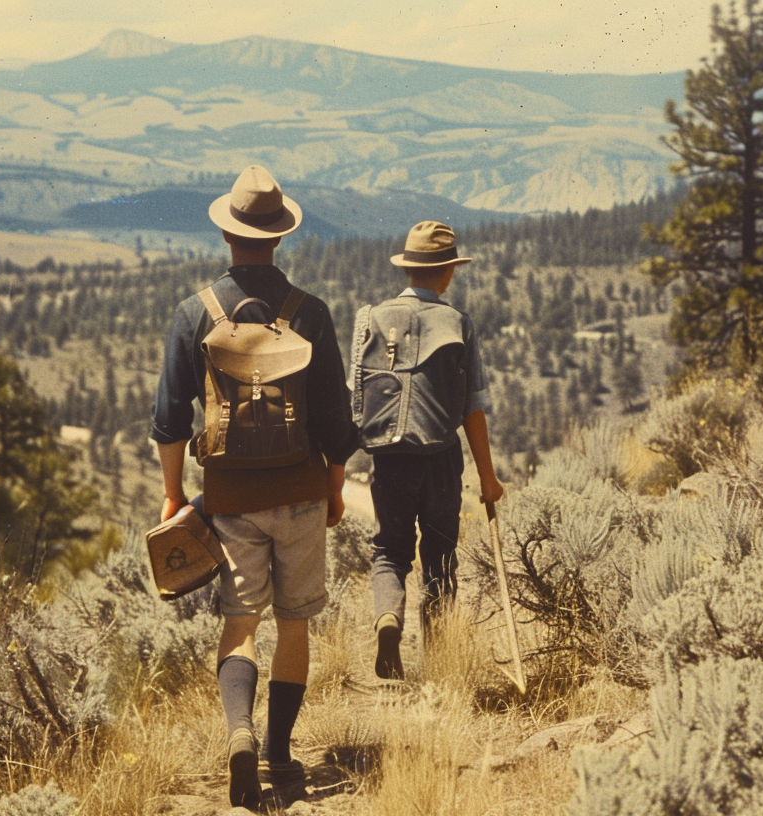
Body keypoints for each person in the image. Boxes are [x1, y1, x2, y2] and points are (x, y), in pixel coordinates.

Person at [150, 165, 357, 811]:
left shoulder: (194, 313)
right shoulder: (311, 313)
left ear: (226, 234)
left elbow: (168, 419)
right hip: (300, 490)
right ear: (279, 238)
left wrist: (173, 494)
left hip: (232, 497)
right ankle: (281, 754)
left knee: (240, 624)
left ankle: (238, 733)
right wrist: (334, 487)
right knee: (294, 625)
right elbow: (335, 417)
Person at [362, 221, 504, 680]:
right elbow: (472, 409)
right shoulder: (458, 323)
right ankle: (439, 664)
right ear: (447, 273)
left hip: (388, 457)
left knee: (389, 551)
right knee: (440, 557)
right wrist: (488, 476)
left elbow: (356, 398)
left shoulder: (375, 319)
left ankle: (388, 618)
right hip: (441, 458)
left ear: (408, 270)